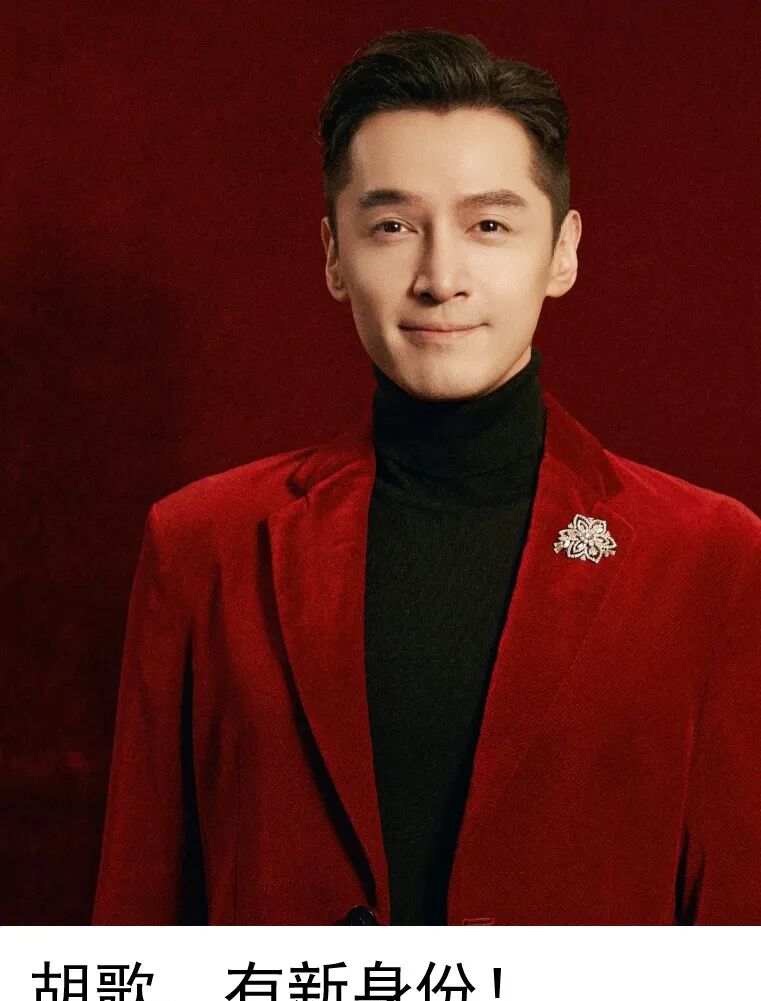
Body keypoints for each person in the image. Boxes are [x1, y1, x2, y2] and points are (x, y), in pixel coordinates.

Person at [92, 29, 761, 927]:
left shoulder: (708, 556)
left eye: (489, 226)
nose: (440, 278)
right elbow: (137, 919)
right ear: (334, 255)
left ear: (562, 252)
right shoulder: (203, 544)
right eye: (393, 227)